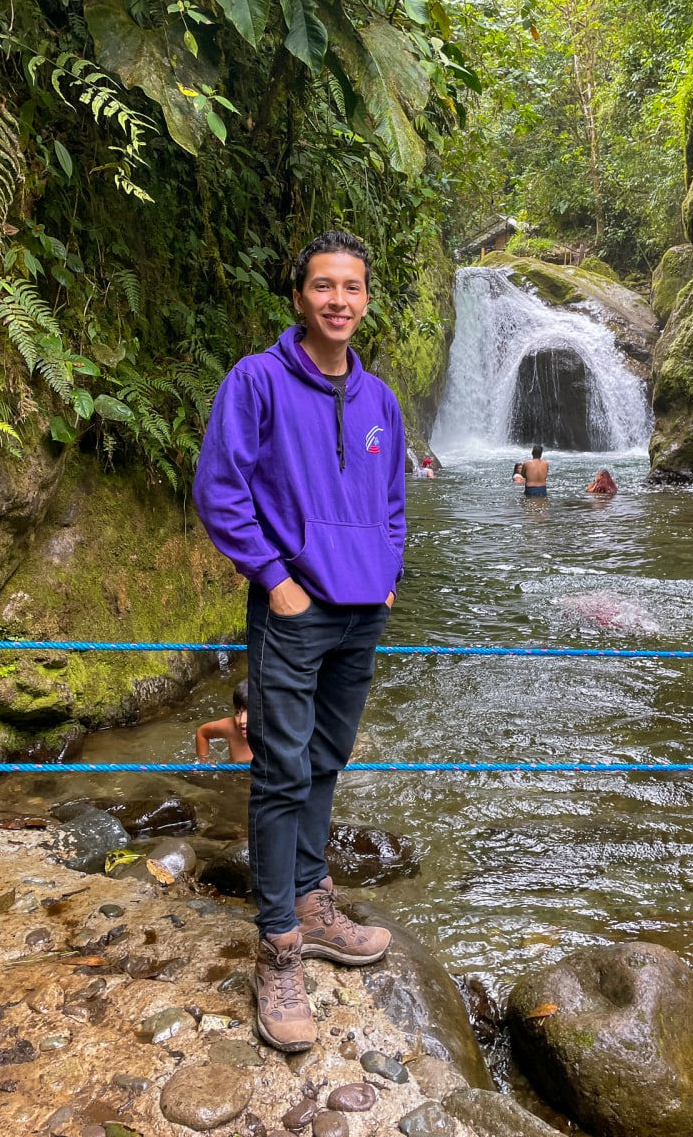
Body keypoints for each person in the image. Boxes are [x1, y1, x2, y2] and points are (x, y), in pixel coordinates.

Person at [193, 228, 404, 1054]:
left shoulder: (381, 400)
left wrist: (388, 571)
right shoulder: (257, 381)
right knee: (281, 769)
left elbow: (392, 499)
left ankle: (313, 902)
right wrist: (274, 578)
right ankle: (278, 945)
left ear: (365, 298)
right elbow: (220, 488)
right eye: (323, 286)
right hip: (293, 607)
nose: (338, 301)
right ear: (298, 296)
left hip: (362, 609)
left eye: (351, 287)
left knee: (326, 757)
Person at [195, 679, 253, 764]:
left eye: (249, 712)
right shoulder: (231, 728)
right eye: (238, 713)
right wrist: (204, 761)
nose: (241, 720)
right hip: (237, 772)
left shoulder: (272, 730)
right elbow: (202, 732)